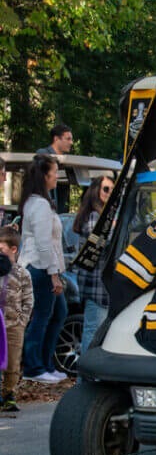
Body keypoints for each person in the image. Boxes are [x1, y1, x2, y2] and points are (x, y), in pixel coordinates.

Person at [19, 155, 68, 383]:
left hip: (45, 267)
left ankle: (46, 363)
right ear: (45, 175)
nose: (57, 176)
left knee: (59, 313)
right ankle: (33, 367)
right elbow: (43, 243)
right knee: (42, 316)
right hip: (40, 268)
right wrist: (54, 274)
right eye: (55, 172)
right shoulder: (38, 204)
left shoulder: (40, 202)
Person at [72, 175, 114, 355]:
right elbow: (101, 243)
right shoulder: (95, 217)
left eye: (112, 189)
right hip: (96, 284)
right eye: (106, 189)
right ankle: (85, 376)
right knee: (93, 330)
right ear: (95, 190)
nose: (109, 193)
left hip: (100, 285)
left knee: (96, 330)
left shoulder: (103, 215)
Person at [0, 227, 35, 411]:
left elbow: (29, 299)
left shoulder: (22, 274)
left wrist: (22, 321)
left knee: (13, 362)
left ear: (13, 249)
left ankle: (9, 394)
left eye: (1, 249)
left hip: (14, 326)